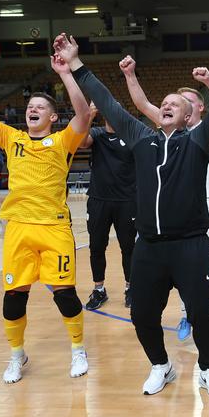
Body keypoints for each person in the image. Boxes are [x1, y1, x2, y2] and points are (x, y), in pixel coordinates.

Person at [65, 32, 209, 397]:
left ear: (190, 115)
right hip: (149, 247)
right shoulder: (140, 136)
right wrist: (76, 64)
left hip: (191, 245)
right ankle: (162, 365)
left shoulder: (196, 140)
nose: (166, 105)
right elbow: (107, 102)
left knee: (202, 314)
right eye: (163, 102)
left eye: (175, 103)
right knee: (142, 315)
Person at [0, 42, 91, 384]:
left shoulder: (64, 140)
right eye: (29, 106)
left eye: (39, 107)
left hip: (54, 227)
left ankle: (78, 348)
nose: (32, 109)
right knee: (14, 296)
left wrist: (65, 73)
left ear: (52, 116)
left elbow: (82, 115)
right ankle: (17, 356)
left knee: (64, 294)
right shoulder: (10, 137)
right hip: (18, 227)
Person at [119, 55, 209, 341]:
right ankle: (186, 314)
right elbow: (143, 105)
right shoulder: (166, 134)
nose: (174, 104)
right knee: (183, 267)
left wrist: (208, 81)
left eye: (186, 101)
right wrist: (131, 75)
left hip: (206, 204)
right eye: (172, 101)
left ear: (198, 108)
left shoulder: (205, 132)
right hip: (175, 211)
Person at [81, 102, 138, 310]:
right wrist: (89, 114)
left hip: (128, 201)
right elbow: (81, 142)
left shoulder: (132, 135)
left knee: (129, 248)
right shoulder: (95, 134)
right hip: (98, 200)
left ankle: (131, 288)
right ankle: (99, 289)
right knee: (96, 246)